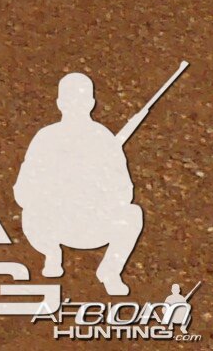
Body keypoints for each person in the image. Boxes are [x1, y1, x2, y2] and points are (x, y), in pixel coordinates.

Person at [16, 72, 148, 296]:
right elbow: (23, 190)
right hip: (53, 224)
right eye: (70, 100)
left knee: (132, 214)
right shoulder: (45, 138)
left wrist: (94, 192)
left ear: (91, 103)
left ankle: (110, 271)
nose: (75, 106)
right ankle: (51, 254)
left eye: (80, 100)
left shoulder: (104, 139)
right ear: (60, 103)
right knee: (30, 212)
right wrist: (54, 192)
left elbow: (124, 192)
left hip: (93, 224)